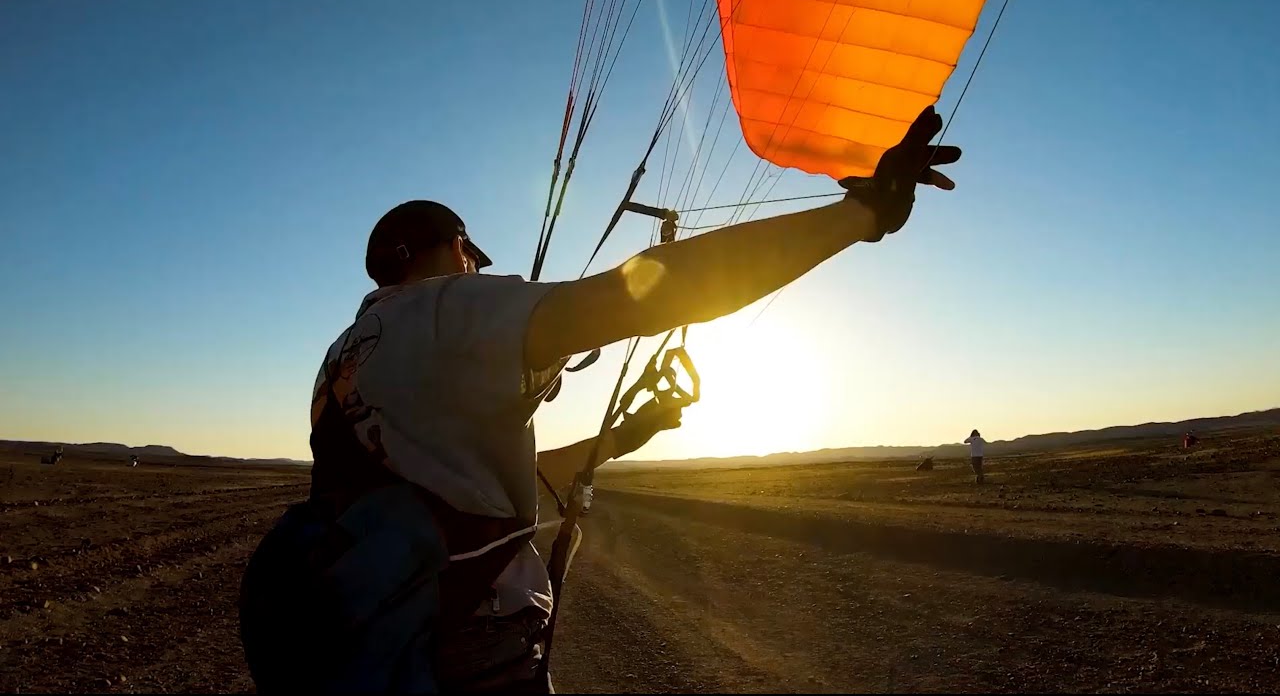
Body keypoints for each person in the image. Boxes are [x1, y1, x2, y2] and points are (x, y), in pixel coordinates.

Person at [238, 104, 963, 694]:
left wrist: (620, 437)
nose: (476, 270)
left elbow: (466, 500)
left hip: (399, 641)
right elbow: (647, 291)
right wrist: (861, 215)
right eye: (472, 257)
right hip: (472, 655)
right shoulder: (447, 309)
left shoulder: (345, 358)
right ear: (456, 247)